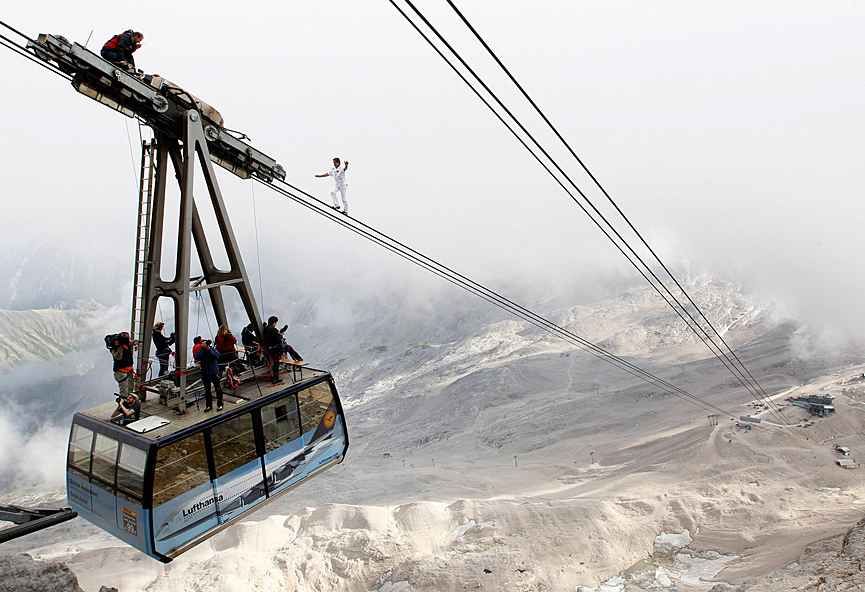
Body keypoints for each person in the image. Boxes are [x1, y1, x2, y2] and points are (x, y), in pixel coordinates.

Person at [194, 339, 223, 412]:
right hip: (205, 373)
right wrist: (202, 349)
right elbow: (196, 357)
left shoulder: (213, 349)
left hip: (213, 372)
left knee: (218, 388)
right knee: (207, 390)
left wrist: (209, 350)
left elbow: (217, 357)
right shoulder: (202, 351)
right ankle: (209, 405)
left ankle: (220, 404)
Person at [110, 332, 136, 398]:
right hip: (121, 372)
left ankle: (130, 402)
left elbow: (133, 342)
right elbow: (118, 357)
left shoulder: (126, 345)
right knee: (124, 391)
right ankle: (123, 404)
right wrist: (119, 346)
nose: (128, 339)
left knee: (130, 387)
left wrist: (136, 344)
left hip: (128, 370)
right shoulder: (115, 348)